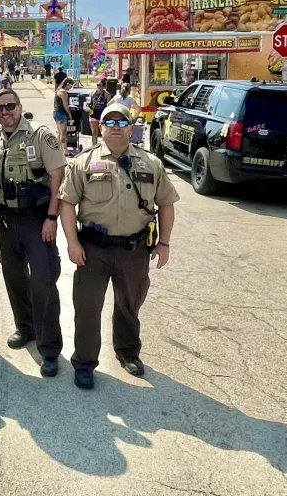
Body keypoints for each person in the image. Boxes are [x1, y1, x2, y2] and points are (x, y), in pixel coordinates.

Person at [58, 102, 178, 390]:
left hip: (134, 250)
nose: (115, 127)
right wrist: (72, 243)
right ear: (100, 127)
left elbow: (166, 204)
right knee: (87, 307)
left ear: (131, 127)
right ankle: (85, 362)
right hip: (93, 249)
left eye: (121, 122)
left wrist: (164, 243)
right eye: (109, 122)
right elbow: (67, 204)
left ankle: (127, 352)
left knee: (129, 305)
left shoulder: (151, 163)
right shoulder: (83, 162)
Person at [0, 88, 66, 378]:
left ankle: (50, 348)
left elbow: (58, 177)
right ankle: (25, 328)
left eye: (10, 106)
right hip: (4, 219)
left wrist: (52, 218)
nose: (5, 112)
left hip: (36, 219)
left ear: (20, 107)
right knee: (14, 276)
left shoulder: (40, 136)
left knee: (43, 281)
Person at [87, 80, 110, 147]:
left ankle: (105, 146)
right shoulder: (92, 93)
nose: (99, 87)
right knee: (94, 132)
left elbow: (108, 106)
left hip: (102, 116)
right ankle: (94, 147)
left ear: (104, 86)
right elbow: (88, 104)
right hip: (93, 115)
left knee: (104, 132)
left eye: (100, 85)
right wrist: (89, 112)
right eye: (97, 85)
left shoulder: (107, 94)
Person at [53, 77, 75, 143]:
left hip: (56, 112)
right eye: (71, 86)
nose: (70, 88)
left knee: (59, 132)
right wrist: (70, 114)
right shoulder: (63, 92)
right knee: (63, 133)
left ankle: (58, 149)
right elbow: (65, 105)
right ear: (67, 84)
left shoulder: (58, 90)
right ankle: (65, 150)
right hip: (61, 113)